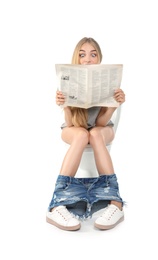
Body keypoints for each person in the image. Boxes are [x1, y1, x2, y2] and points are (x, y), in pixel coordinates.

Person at [46, 37, 126, 231]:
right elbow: (73, 123)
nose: (87, 59)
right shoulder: (67, 79)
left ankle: (115, 204)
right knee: (82, 134)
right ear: (77, 58)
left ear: (99, 58)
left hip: (101, 128)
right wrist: (65, 105)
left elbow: (99, 124)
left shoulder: (108, 82)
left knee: (95, 134)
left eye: (93, 54)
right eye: (82, 55)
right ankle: (57, 204)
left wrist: (114, 105)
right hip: (74, 127)